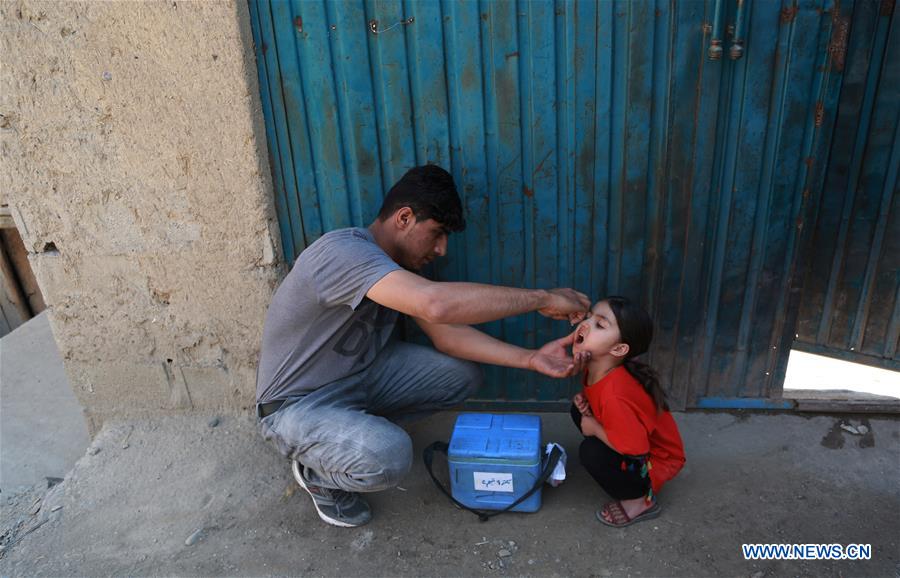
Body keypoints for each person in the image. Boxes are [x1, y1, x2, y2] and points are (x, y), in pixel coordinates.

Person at [256, 165, 592, 527]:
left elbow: (448, 335)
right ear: (404, 217)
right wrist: (543, 299)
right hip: (296, 406)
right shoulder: (340, 253)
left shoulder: (397, 269)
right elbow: (435, 303)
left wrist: (531, 358)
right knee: (390, 457)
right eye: (437, 234)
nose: (442, 249)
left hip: (359, 379)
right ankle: (318, 474)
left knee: (460, 376)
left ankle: (351, 435)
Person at [570, 296, 685, 527]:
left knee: (591, 452)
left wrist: (593, 428)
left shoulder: (616, 394)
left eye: (600, 325)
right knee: (577, 409)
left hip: (654, 459)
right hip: (632, 437)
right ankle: (616, 465)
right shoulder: (599, 368)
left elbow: (636, 448)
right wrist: (587, 406)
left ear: (619, 348)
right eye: (590, 316)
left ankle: (640, 500)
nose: (586, 324)